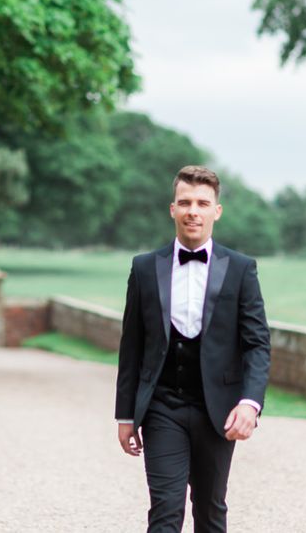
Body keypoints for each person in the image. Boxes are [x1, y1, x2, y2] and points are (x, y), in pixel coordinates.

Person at [115, 165, 271, 533]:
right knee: (166, 510)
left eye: (203, 203)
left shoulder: (241, 269)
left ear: (216, 211)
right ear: (172, 209)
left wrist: (250, 403)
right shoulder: (144, 268)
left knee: (210, 510)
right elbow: (131, 346)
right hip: (161, 407)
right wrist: (125, 416)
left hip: (218, 410)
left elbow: (257, 343)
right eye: (185, 202)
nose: (193, 211)